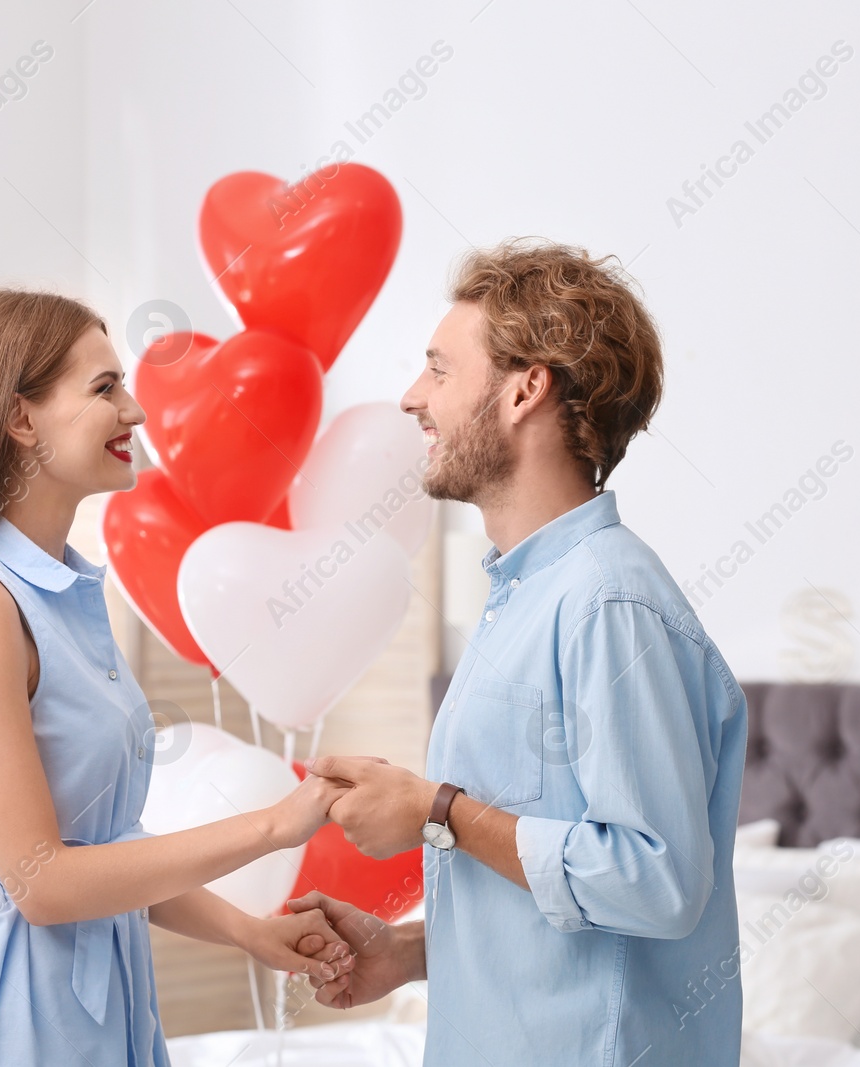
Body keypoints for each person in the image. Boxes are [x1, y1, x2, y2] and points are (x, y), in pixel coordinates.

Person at [291, 239, 749, 1064]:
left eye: (438, 369)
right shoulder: (527, 599)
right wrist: (412, 953)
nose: (411, 398)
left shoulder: (608, 603)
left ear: (525, 389)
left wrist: (439, 810)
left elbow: (657, 882)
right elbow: (568, 893)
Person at [0, 290, 353, 1066]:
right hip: (16, 1013)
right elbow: (44, 883)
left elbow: (109, 851)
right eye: (105, 389)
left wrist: (250, 931)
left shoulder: (63, 593)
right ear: (19, 417)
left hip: (103, 997)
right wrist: (274, 823)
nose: (134, 413)